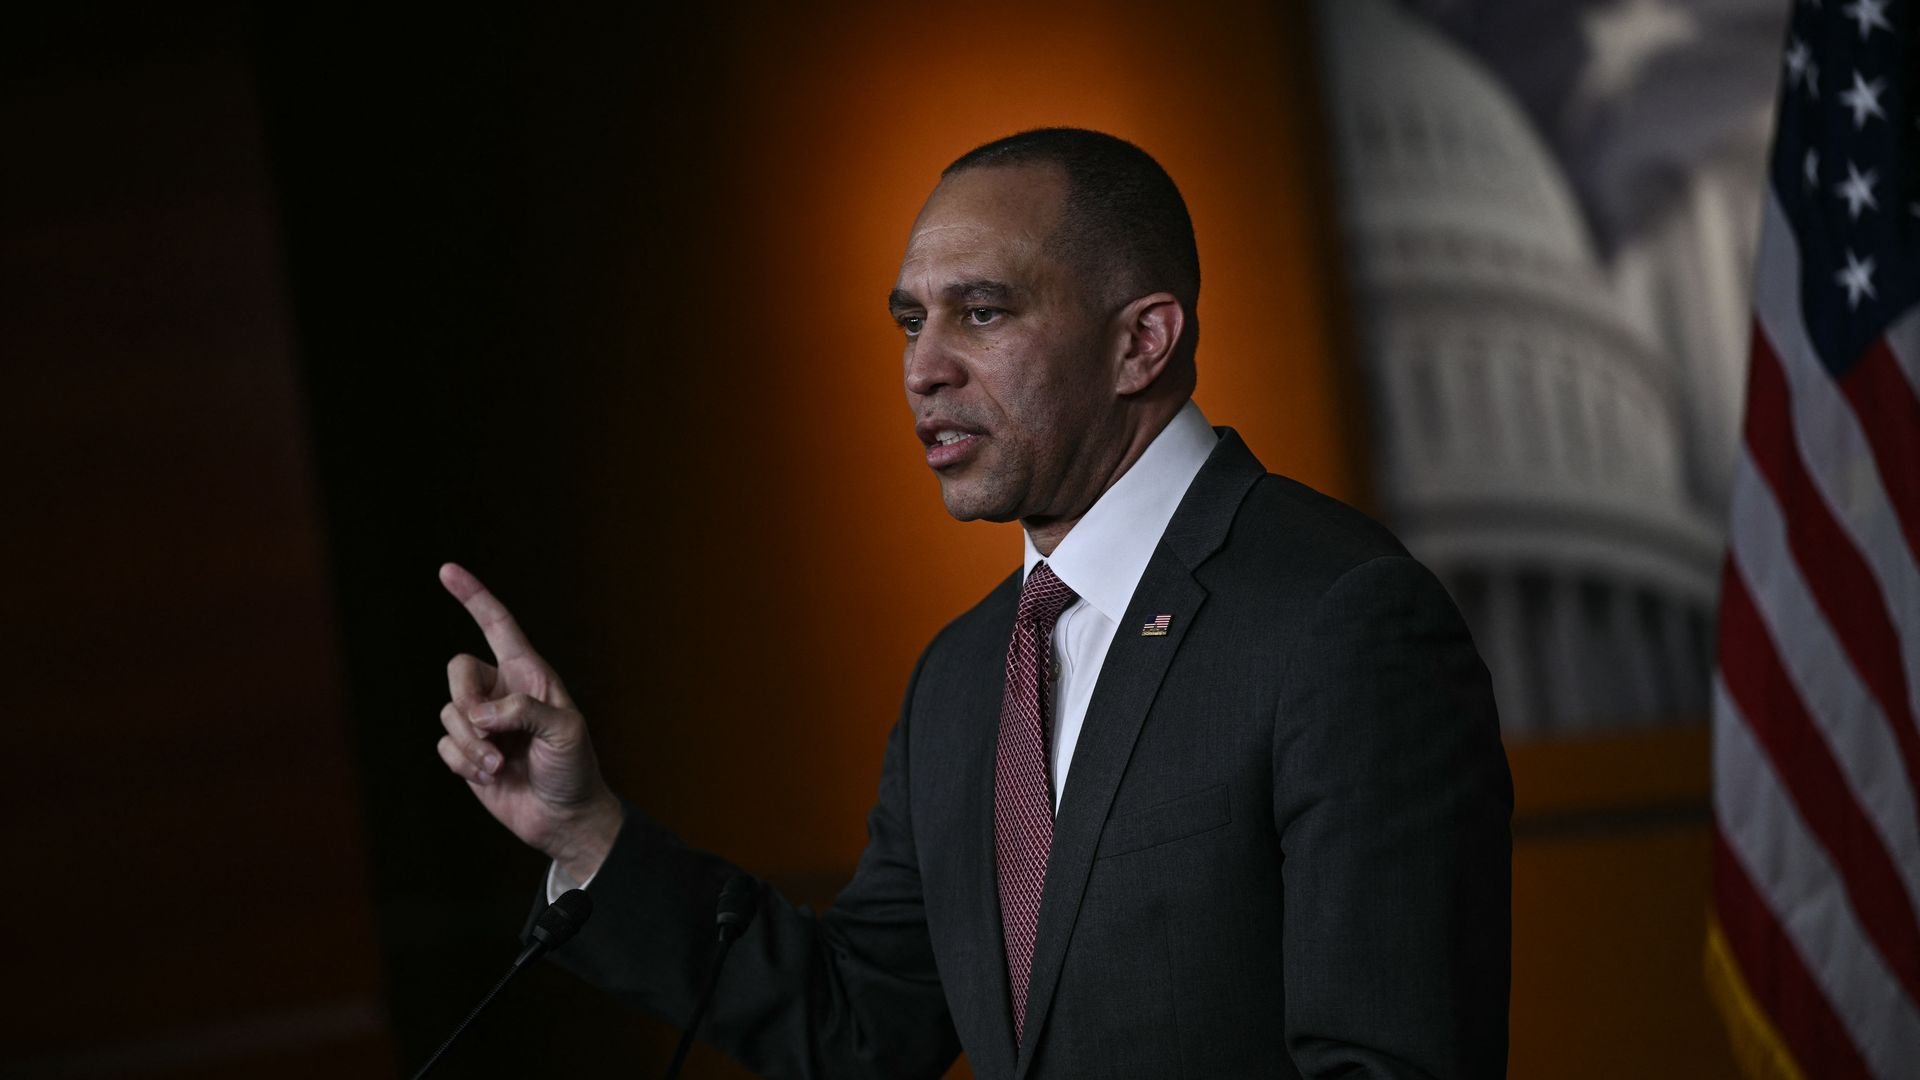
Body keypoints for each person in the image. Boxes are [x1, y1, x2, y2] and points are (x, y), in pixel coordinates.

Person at [435, 128, 1512, 1079]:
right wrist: (585, 832)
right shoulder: (964, 673)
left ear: (1143, 340)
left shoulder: (1338, 617)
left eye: (982, 312)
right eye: (911, 322)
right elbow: (861, 1024)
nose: (923, 369)